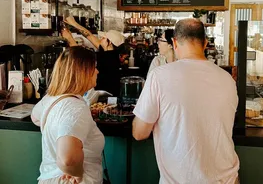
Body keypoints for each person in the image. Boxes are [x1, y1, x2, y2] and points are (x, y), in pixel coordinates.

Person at [132, 18, 239, 184]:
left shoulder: (159, 76)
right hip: (227, 180)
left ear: (174, 42)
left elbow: (139, 133)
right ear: (205, 44)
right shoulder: (228, 79)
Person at [31, 46, 104, 184]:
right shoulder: (75, 108)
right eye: (94, 67)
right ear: (82, 72)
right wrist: (76, 173)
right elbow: (68, 159)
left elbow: (35, 117)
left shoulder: (53, 98)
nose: (97, 71)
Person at [61, 16, 125, 96]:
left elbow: (78, 55)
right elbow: (89, 35)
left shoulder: (108, 58)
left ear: (110, 43)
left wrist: (69, 38)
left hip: (104, 96)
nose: (101, 38)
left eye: (104, 38)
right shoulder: (109, 51)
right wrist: (74, 23)